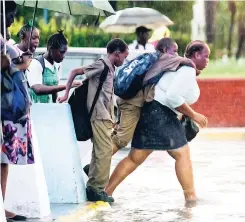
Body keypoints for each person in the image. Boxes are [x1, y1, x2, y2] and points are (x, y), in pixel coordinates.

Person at [105, 40, 210, 203]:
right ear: (196, 55)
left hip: (150, 111)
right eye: (206, 56)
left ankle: (107, 192)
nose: (208, 60)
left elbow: (167, 91)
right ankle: (191, 199)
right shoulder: (187, 68)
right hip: (160, 113)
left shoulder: (179, 66)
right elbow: (172, 97)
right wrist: (195, 115)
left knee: (135, 158)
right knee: (182, 154)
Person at [58, 39, 129, 202]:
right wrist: (65, 93)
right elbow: (74, 72)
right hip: (98, 115)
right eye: (124, 57)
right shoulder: (102, 65)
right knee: (104, 152)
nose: (124, 60)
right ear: (116, 53)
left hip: (105, 116)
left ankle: (93, 186)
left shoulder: (110, 68)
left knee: (100, 151)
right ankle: (97, 188)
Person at [1, 1, 33, 221]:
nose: (12, 19)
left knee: (4, 161)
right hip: (3, 108)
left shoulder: (4, 39)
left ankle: (4, 207)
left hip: (10, 111)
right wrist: (20, 65)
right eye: (9, 14)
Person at [25, 30, 79, 103]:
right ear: (51, 49)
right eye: (61, 52)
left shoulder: (57, 65)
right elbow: (38, 89)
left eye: (65, 53)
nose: (63, 56)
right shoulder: (36, 64)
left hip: (49, 110)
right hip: (35, 109)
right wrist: (67, 86)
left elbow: (54, 89)